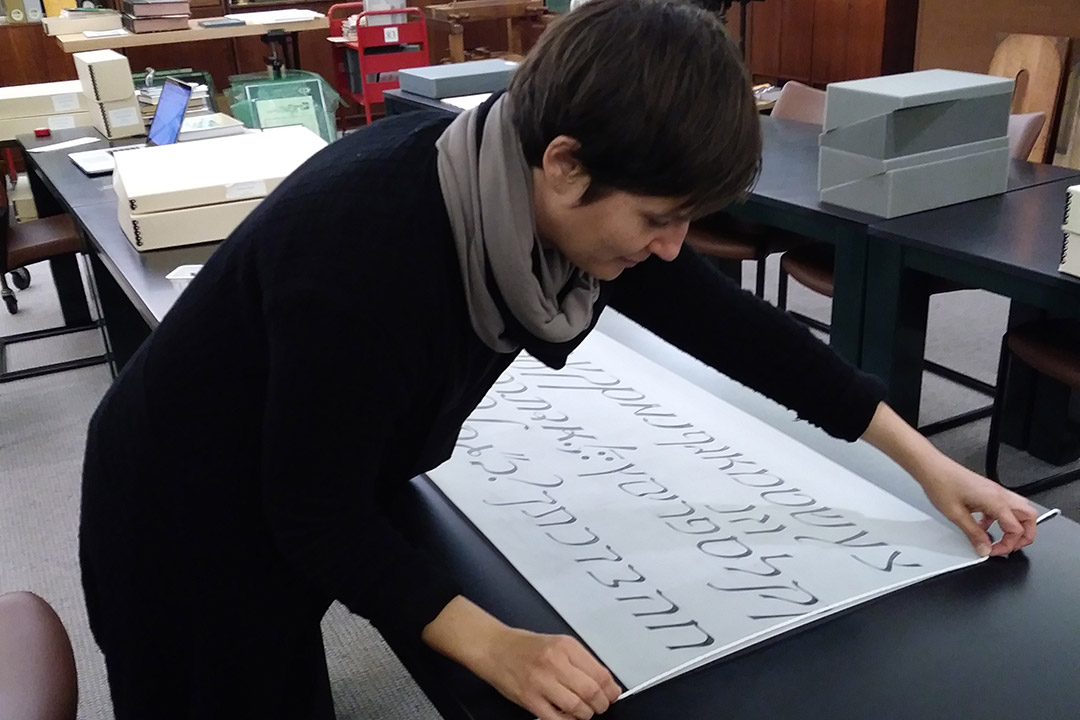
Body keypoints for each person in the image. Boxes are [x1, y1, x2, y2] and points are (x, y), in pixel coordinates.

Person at [79, 1, 1039, 718]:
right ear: (568, 163)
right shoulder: (368, 254)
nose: (669, 247)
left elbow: (741, 333)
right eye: (658, 220)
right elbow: (311, 513)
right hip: (179, 515)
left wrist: (929, 465)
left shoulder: (531, 186)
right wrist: (494, 646)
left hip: (295, 472)